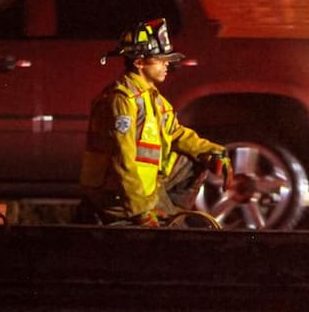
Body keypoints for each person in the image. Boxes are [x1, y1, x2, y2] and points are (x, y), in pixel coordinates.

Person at [79, 18, 228, 226]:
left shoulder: (153, 99)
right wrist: (140, 212)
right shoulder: (122, 100)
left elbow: (176, 133)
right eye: (160, 59)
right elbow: (122, 160)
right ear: (139, 62)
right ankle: (157, 218)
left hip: (146, 190)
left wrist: (212, 152)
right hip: (116, 198)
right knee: (174, 242)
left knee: (194, 156)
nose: (167, 64)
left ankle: (168, 211)